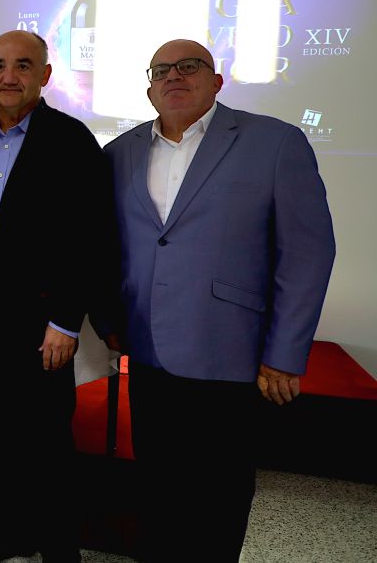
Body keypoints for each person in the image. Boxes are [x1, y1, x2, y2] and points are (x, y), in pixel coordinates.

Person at [99, 39, 336, 562]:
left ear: (216, 80)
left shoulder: (275, 142)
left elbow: (307, 253)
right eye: (161, 70)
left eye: (189, 66)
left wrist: (285, 353)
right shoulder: (120, 153)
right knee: (157, 490)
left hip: (230, 354)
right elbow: (106, 245)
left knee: (219, 498)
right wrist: (109, 318)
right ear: (149, 88)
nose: (174, 76)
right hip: (148, 352)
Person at [0, 30, 112, 563]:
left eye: (22, 65)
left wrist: (66, 321)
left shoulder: (71, 140)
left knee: (46, 442)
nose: (9, 76)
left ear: (45, 75)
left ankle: (60, 550)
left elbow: (90, 238)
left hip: (42, 326)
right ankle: (9, 535)